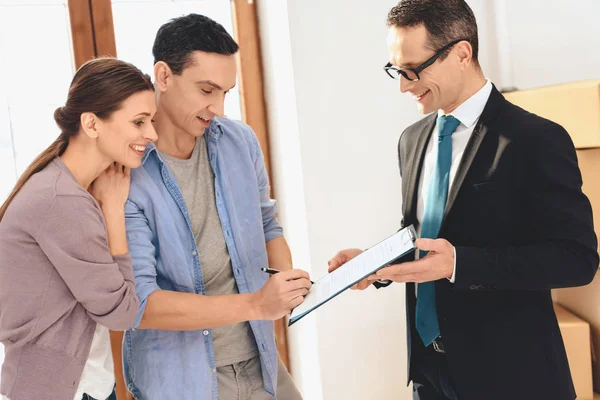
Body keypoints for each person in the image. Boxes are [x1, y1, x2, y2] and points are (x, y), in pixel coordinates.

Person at [328, 1, 599, 399]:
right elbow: (426, 237)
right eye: (395, 71)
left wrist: (461, 264)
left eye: (413, 70)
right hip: (429, 373)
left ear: (461, 53)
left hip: (512, 377)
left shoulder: (535, 139)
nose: (403, 85)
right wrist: (376, 263)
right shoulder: (411, 140)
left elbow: (576, 260)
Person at [119, 14, 309, 400]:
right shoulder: (127, 169)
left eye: (225, 92)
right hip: (182, 380)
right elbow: (143, 303)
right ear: (164, 76)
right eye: (207, 90)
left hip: (260, 361)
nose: (217, 107)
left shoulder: (239, 141)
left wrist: (286, 286)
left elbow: (268, 226)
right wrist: (257, 304)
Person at [0, 58, 157, 400]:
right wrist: (113, 210)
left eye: (151, 120)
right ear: (91, 123)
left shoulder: (63, 187)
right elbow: (123, 312)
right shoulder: (62, 201)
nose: (152, 134)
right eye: (139, 122)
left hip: (78, 385)